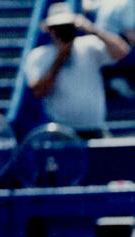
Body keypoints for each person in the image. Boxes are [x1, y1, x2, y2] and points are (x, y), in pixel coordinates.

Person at [25, 3, 130, 138]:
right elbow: (39, 92)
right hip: (61, 132)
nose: (64, 32)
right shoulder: (39, 56)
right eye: (59, 28)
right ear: (51, 30)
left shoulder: (88, 47)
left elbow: (122, 52)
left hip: (95, 128)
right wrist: (59, 59)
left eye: (67, 27)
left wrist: (93, 30)